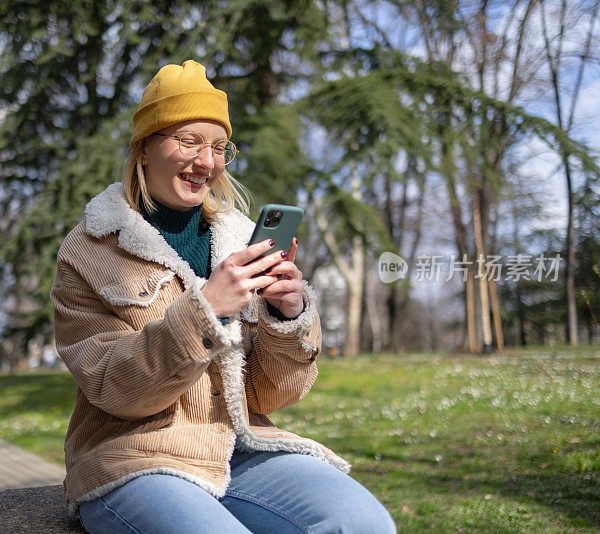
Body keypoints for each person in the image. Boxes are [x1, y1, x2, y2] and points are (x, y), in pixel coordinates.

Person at [50, 60, 395, 534]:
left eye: (218, 147)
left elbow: (272, 395)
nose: (207, 162)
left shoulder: (237, 241)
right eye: (188, 141)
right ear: (145, 148)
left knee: (365, 525)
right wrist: (205, 311)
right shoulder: (89, 249)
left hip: (239, 447)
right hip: (131, 459)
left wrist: (285, 315)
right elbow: (116, 388)